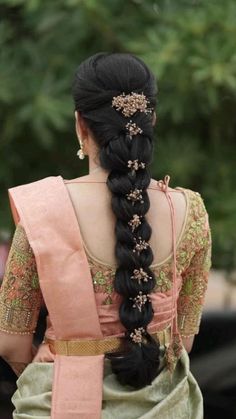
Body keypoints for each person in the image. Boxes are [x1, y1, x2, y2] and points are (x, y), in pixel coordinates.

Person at [0, 53, 211, 419]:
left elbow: (11, 342)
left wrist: (63, 365)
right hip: (166, 406)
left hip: (60, 405)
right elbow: (184, 339)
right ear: (151, 121)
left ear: (81, 125)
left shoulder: (42, 211)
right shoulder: (189, 211)